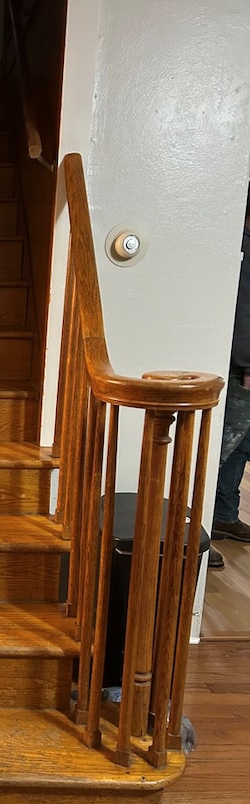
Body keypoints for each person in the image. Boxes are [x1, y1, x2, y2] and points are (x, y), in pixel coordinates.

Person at [209, 186, 250, 568]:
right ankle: (199, 531)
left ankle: (223, 514)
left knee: (239, 450)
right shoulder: (240, 245)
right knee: (219, 452)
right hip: (242, 370)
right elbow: (243, 309)